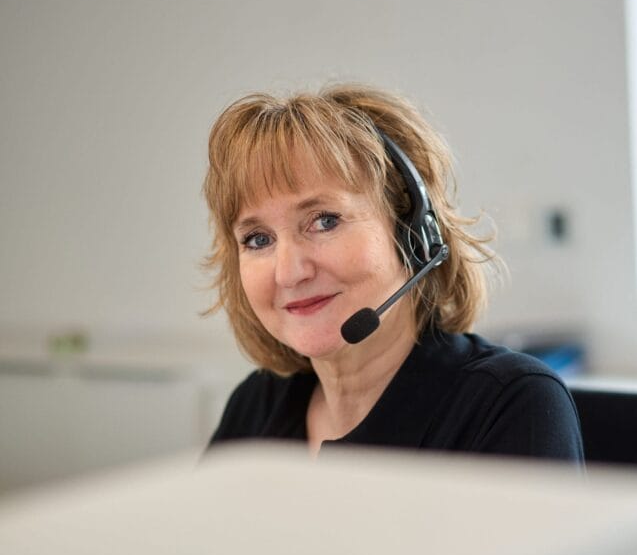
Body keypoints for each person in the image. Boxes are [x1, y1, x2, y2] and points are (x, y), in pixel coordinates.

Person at [203, 83, 583, 461]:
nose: (288, 273)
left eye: (324, 221)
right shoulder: (254, 406)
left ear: (412, 235)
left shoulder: (508, 403)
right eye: (257, 239)